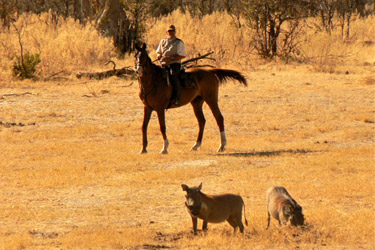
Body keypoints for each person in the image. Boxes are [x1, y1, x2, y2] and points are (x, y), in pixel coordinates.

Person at [156, 25, 186, 105]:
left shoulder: (179, 42)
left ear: (175, 32)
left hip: (175, 64)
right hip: (163, 64)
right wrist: (159, 56)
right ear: (166, 32)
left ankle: (176, 98)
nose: (171, 32)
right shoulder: (162, 41)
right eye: (169, 31)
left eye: (172, 31)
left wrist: (171, 58)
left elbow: (182, 55)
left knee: (173, 77)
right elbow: (158, 51)